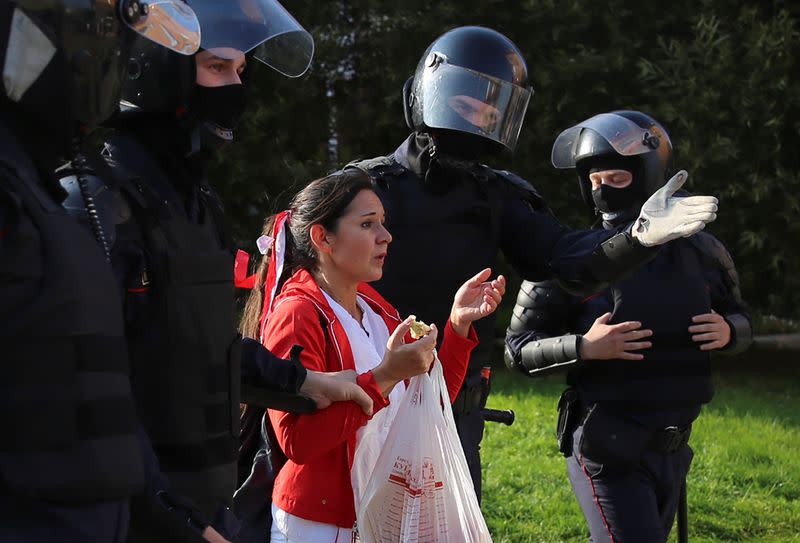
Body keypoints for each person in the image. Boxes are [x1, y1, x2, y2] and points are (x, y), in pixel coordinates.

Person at [346, 25, 720, 501]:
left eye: (489, 113)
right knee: (352, 520)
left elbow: (566, 261)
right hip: (364, 389)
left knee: (449, 528)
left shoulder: (497, 193)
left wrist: (637, 238)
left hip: (453, 403)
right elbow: (306, 283)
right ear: (427, 95)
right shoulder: (364, 186)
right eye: (465, 107)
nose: (476, 125)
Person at [55, 2, 368, 541]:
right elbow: (80, 399)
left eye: (241, 72)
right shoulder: (94, 205)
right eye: (216, 68)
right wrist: (176, 521)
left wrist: (300, 380)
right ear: (154, 69)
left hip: (202, 504)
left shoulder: (194, 203)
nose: (234, 88)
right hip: (127, 519)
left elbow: (197, 347)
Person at [0, 1, 204, 541]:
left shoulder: (40, 193)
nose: (103, 52)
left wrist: (170, 517)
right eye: (92, 29)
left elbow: (94, 397)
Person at [504, 110, 753, 543]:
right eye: (594, 181)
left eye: (615, 179)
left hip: (673, 446)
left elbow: (740, 314)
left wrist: (730, 330)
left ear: (649, 176)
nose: (602, 191)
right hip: (607, 446)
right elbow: (516, 349)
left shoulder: (704, 251)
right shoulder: (572, 258)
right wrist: (583, 346)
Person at [238, 169, 506, 542]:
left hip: (383, 513)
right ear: (322, 237)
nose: (385, 236)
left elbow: (427, 400)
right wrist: (384, 377)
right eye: (367, 224)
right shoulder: (297, 313)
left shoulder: (374, 307)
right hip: (323, 525)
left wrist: (458, 326)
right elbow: (297, 443)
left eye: (382, 222)